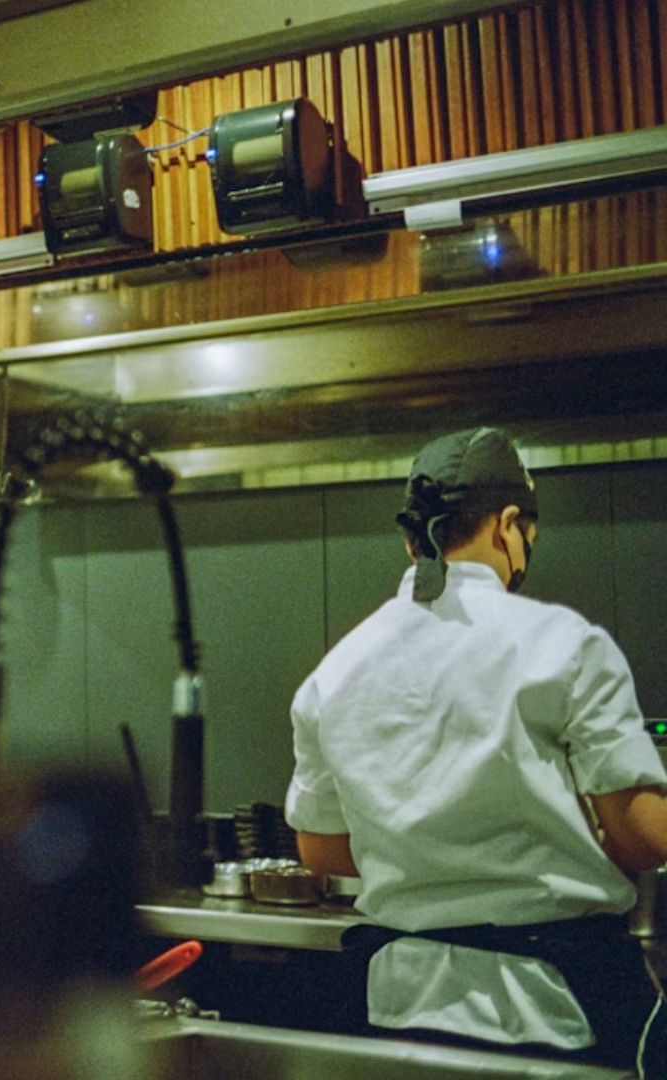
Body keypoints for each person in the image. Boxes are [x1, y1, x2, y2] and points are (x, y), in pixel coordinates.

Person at [285, 427, 667, 1066]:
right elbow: (643, 838)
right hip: (557, 1002)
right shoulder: (565, 644)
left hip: (398, 1002)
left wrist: (427, 844)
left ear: (411, 538)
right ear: (507, 524)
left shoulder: (336, 669)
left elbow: (321, 848)